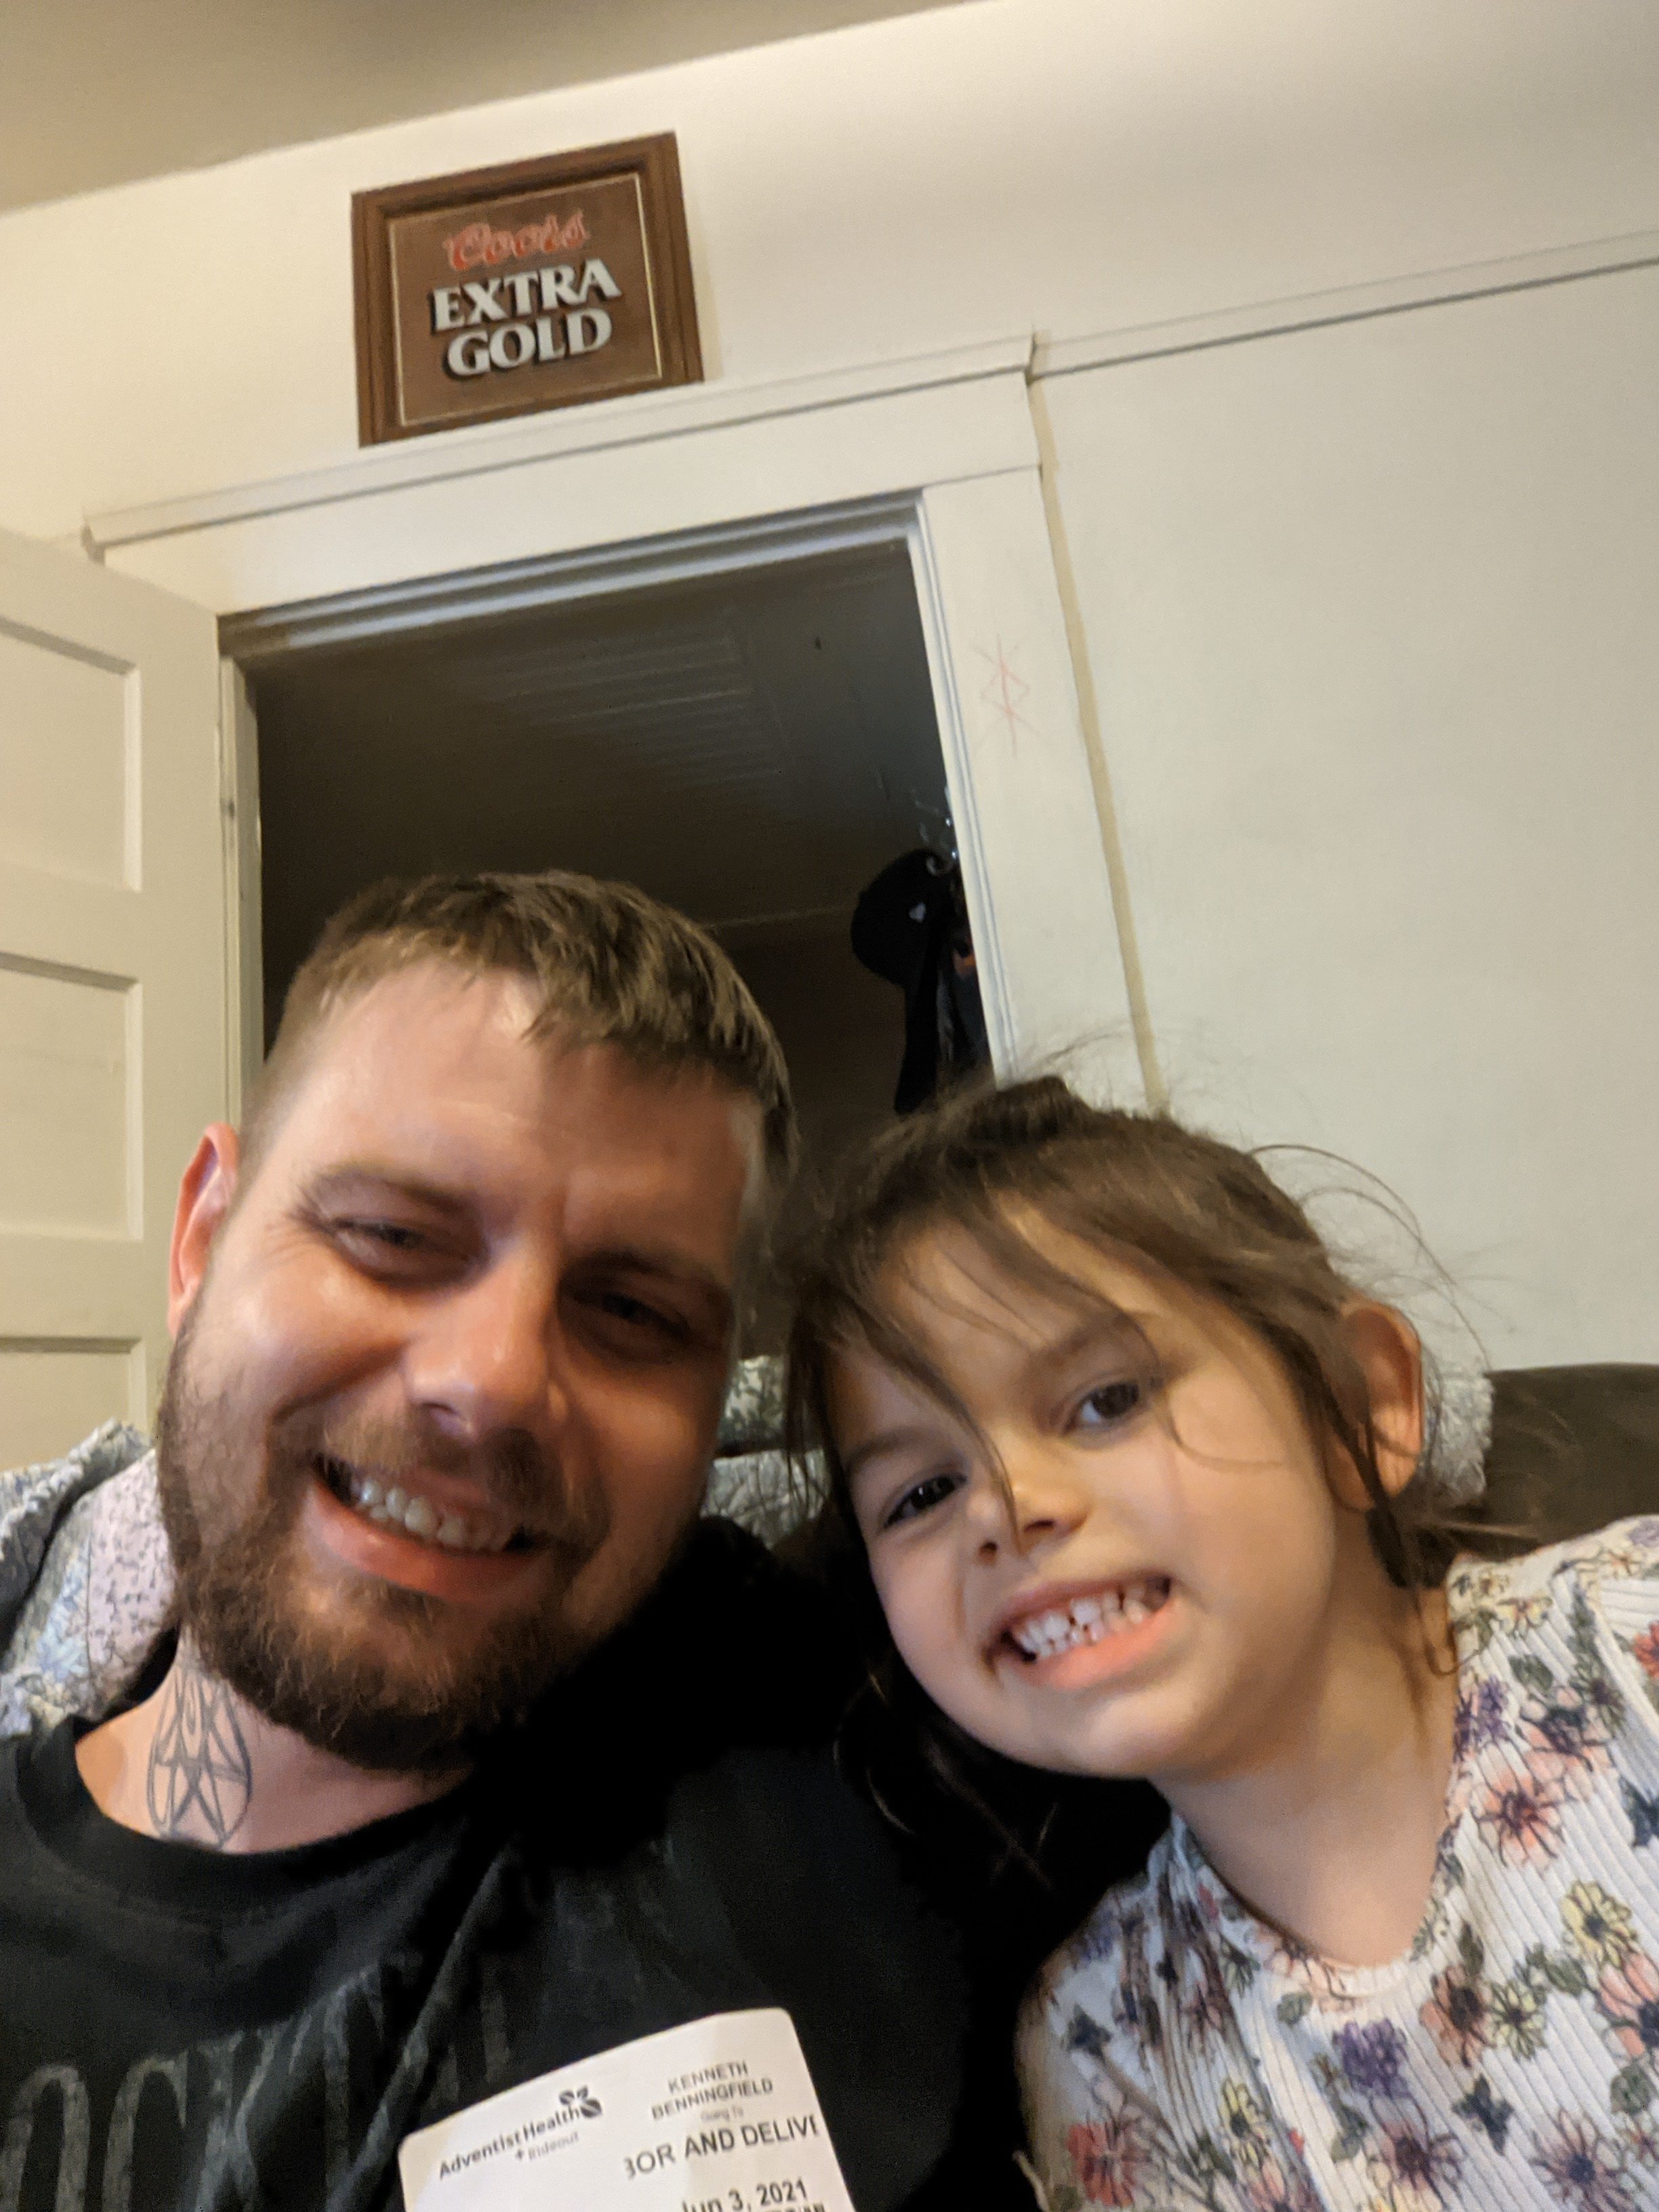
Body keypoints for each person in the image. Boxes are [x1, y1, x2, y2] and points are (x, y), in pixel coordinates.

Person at [0, 872, 993, 2212]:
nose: (495, 1381)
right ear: (202, 1237)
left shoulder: (880, 1719)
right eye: (393, 1237)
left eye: (633, 1313)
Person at [783, 1073, 1659, 2212]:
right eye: (923, 1493)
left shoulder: (1632, 1638)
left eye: (1106, 1400)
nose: (1005, 1507)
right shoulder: (1101, 2050)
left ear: (1359, 1401)